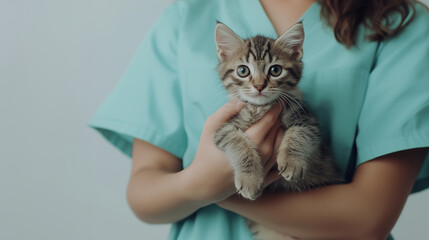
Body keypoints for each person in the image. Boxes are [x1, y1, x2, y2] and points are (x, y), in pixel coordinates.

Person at [89, 0, 429, 239]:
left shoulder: (403, 22)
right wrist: (201, 182)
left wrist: (218, 193)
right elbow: (144, 195)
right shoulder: (186, 14)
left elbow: (369, 219)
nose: (259, 84)